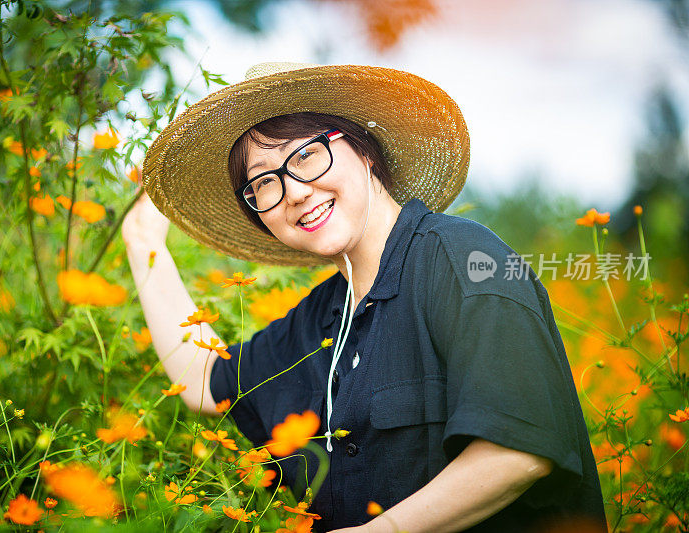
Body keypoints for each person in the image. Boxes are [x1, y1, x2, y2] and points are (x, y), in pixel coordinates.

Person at [121, 63, 607, 532]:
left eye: (306, 154)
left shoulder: (461, 259)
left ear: (365, 150)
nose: (293, 191)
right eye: (264, 182)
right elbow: (203, 380)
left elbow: (519, 450)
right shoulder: (320, 317)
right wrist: (143, 238)